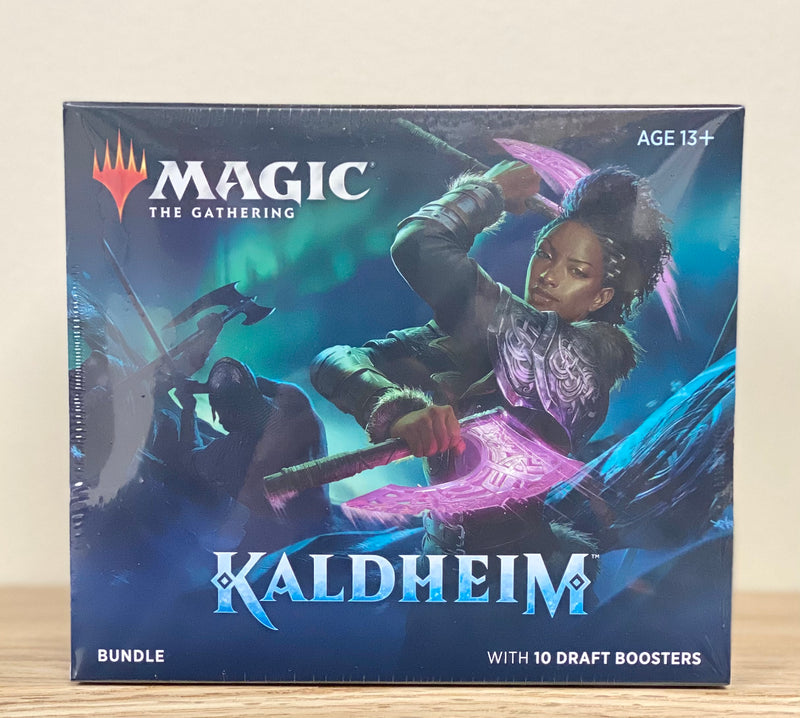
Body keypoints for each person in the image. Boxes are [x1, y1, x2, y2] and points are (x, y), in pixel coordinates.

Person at [311, 160, 671, 553]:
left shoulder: (573, 356)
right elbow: (334, 362)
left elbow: (420, 243)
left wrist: (489, 192)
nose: (549, 276)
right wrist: (394, 409)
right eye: (545, 254)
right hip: (439, 558)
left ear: (601, 297)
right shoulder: (488, 339)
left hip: (521, 570)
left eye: (577, 271)